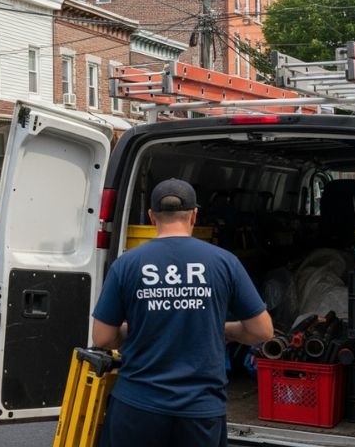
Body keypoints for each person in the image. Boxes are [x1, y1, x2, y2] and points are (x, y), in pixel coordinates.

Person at [92, 178, 273, 447]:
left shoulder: (126, 264)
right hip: (200, 409)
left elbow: (103, 338)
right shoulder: (224, 262)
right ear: (194, 215)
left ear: (152, 216)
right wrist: (224, 329)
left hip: (138, 405)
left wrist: (136, 330)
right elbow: (262, 331)